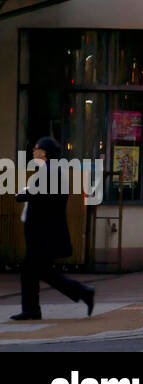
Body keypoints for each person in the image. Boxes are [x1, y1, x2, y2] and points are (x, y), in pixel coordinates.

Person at [12, 137, 95, 321]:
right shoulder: (50, 171)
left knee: (34, 271)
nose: (33, 151)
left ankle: (34, 309)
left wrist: (22, 195)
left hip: (42, 233)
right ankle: (34, 309)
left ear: (44, 152)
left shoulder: (50, 172)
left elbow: (41, 197)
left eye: (36, 148)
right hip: (42, 231)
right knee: (38, 271)